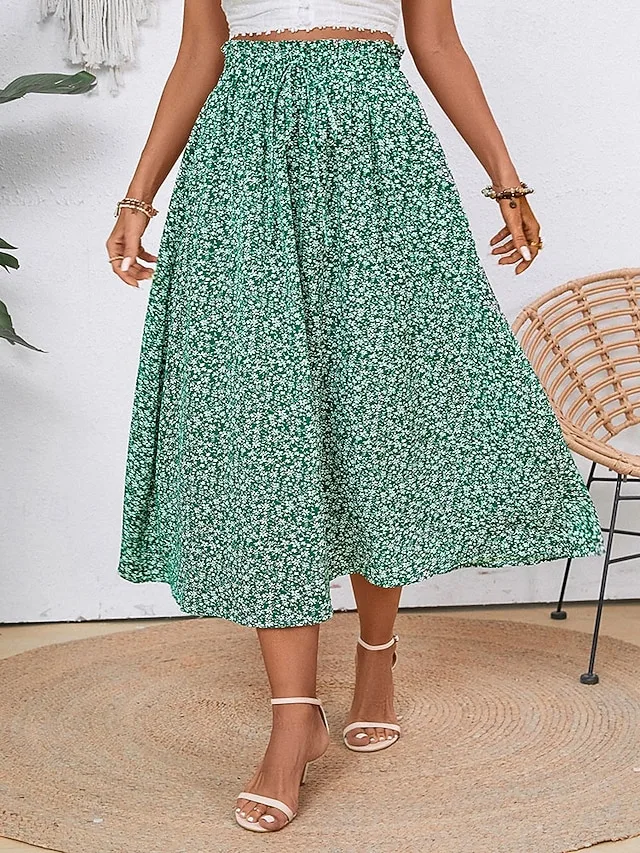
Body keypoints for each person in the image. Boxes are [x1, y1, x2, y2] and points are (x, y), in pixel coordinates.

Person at [106, 0, 604, 834]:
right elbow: (200, 50)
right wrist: (137, 198)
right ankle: (293, 717)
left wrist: (506, 180)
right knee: (259, 428)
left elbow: (435, 40)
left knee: (378, 415)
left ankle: (377, 657)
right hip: (242, 172)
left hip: (378, 167)